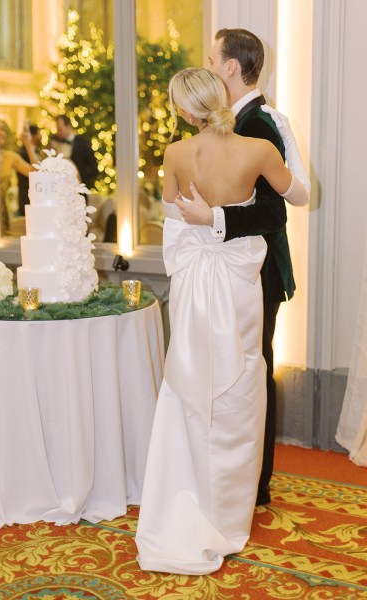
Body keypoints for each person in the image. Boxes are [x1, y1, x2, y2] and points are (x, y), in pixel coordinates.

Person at [135, 67, 308, 575]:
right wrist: (288, 154)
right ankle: (230, 510)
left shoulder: (174, 154)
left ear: (184, 110)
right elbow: (296, 196)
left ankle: (185, 493)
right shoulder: (258, 150)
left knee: (191, 383)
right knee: (239, 385)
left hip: (194, 283)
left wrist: (204, 220)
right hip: (236, 284)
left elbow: (172, 215)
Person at [175, 28, 310, 507]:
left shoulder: (257, 125)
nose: (208, 67)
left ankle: (254, 483)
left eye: (212, 60)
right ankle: (237, 477)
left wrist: (213, 218)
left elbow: (275, 212)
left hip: (253, 272)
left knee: (252, 373)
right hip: (227, 269)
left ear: (230, 68)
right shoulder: (235, 121)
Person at [50, 115, 98, 190]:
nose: (58, 133)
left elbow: (93, 168)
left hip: (78, 189)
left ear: (68, 126)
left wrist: (76, 176)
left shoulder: (83, 143)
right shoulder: (54, 143)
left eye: (60, 129)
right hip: (59, 190)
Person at [17, 124, 44, 215]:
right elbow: (37, 171)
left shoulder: (37, 151)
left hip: (37, 198)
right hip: (28, 199)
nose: (40, 136)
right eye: (39, 134)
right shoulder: (24, 153)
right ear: (32, 136)